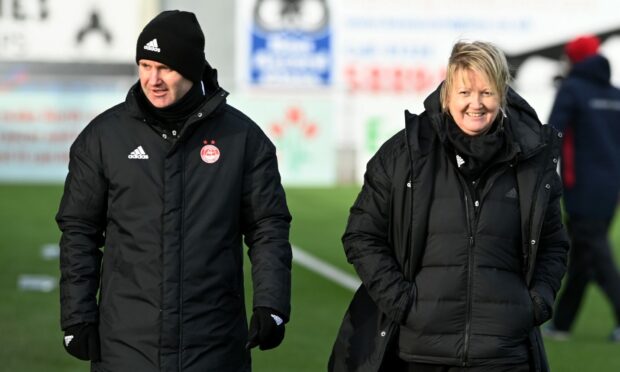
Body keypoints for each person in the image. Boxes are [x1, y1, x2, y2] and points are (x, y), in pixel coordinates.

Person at [56, 10, 292, 371]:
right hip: (125, 346)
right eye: (145, 65)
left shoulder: (244, 140)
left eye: (166, 68)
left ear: (193, 69)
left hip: (214, 345)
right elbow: (80, 231)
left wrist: (272, 305)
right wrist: (77, 315)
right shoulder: (103, 138)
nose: (154, 79)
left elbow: (268, 228)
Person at [329, 41, 569, 372]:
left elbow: (554, 244)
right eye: (465, 92)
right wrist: (403, 303)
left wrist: (535, 304)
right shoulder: (406, 154)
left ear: (502, 94)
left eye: (486, 92)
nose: (476, 103)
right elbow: (362, 235)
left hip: (504, 355)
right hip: (418, 352)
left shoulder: (531, 160)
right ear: (447, 95)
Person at [545, 35, 620, 342]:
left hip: (581, 189)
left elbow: (552, 134)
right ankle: (562, 324)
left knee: (597, 256)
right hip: (611, 189)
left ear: (573, 60)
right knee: (583, 258)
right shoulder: (615, 95)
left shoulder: (571, 90)